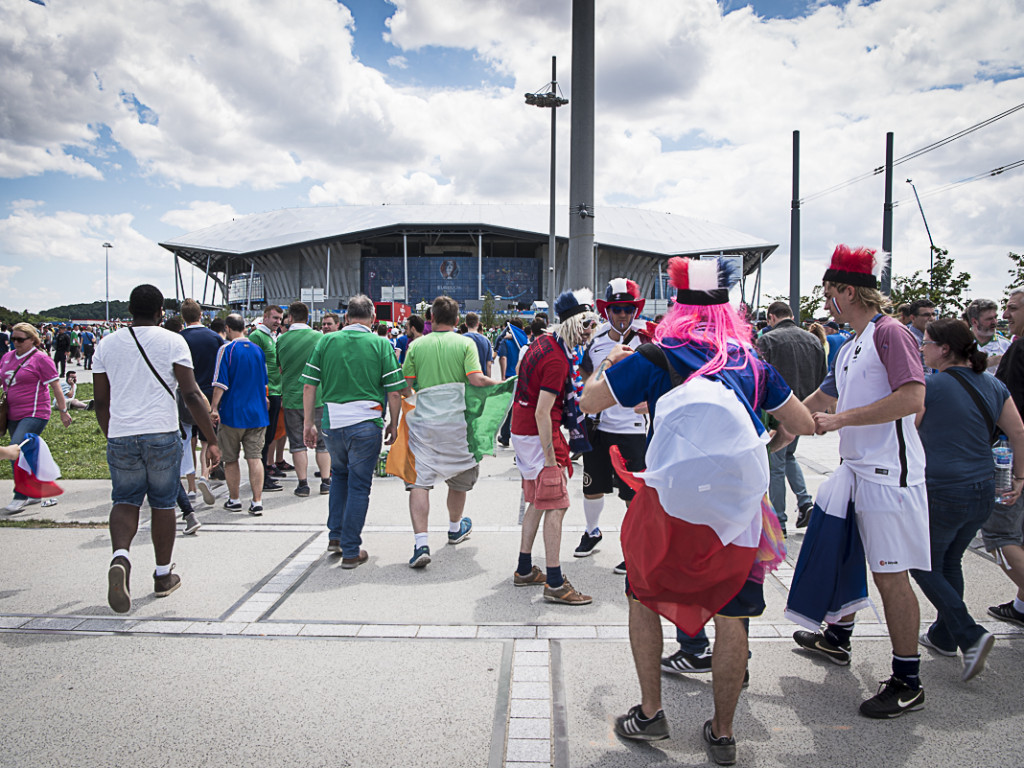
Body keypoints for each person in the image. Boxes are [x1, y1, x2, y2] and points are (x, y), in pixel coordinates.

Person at [579, 257, 813, 763]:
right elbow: (801, 424)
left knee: (643, 597)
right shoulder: (752, 364)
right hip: (738, 513)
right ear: (729, 310)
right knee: (735, 617)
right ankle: (723, 733)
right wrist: (765, 448)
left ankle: (651, 713)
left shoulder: (657, 356)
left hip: (670, 507)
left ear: (678, 307)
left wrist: (611, 363)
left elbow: (590, 402)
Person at [787, 245, 930, 719]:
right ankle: (837, 636)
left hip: (888, 475)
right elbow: (822, 397)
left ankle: (908, 680)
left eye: (830, 293)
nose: (826, 302)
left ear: (848, 291)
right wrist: (778, 429)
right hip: (855, 471)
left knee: (891, 578)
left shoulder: (891, 333)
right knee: (838, 551)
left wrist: (842, 419)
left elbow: (912, 398)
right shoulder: (850, 344)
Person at [92, 284, 220, 613]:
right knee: (163, 503)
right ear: (161, 311)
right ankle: (163, 575)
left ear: (130, 310)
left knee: (124, 499)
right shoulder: (172, 341)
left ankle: (120, 556)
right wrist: (211, 438)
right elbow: (191, 394)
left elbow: (102, 401)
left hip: (122, 434)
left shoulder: (106, 344)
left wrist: (112, 434)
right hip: (161, 433)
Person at [912, 318, 1024, 680]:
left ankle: (969, 633)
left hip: (942, 488)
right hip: (983, 487)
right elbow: (1018, 430)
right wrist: (1020, 477)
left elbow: (907, 428)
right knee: (949, 561)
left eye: (926, 343)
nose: (922, 348)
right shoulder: (992, 384)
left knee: (922, 563)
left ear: (944, 349)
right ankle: (944, 636)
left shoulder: (931, 386)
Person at [301, 295, 405, 565]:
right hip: (366, 423)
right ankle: (350, 549)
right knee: (359, 486)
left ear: (346, 317)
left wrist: (308, 423)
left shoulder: (326, 340)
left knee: (339, 477)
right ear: (372, 319)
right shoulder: (381, 344)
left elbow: (309, 385)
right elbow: (394, 392)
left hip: (332, 423)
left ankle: (335, 536)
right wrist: (394, 423)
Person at [512, 289, 598, 605]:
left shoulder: (544, 343)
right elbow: (542, 412)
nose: (590, 331)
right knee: (556, 503)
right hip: (536, 432)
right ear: (574, 323)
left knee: (536, 499)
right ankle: (554, 581)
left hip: (525, 431)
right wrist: (551, 459)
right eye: (586, 324)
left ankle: (524, 568)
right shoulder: (556, 357)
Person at [401, 295, 500, 568]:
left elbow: (405, 385)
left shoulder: (416, 346)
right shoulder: (465, 343)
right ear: (458, 321)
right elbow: (476, 379)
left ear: (430, 319)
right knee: (459, 476)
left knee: (420, 481)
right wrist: (503, 385)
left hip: (424, 424)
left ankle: (421, 543)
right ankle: (455, 528)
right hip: (457, 424)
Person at [576, 278, 652, 571]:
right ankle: (592, 531)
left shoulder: (647, 341)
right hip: (598, 426)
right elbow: (584, 375)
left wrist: (650, 401)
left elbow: (662, 377)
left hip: (632, 429)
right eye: (616, 308)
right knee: (591, 486)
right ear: (607, 311)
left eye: (628, 308)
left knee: (633, 494)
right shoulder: (595, 341)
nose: (622, 314)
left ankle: (633, 547)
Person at [757, 301, 827, 533]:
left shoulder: (768, 339)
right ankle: (805, 501)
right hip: (806, 408)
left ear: (771, 317)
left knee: (776, 462)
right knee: (788, 456)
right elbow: (823, 378)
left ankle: (779, 521)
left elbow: (762, 378)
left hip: (778, 408)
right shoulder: (813, 340)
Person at [983, 288, 1024, 629]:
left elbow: (1010, 418)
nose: (1004, 316)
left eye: (1011, 309)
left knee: (999, 536)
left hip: (1011, 455)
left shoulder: (1018, 349)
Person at [2, 323, 73, 513]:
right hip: (12, 414)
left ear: (33, 339)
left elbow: (56, 386)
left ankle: (20, 495)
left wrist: (63, 410)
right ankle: (36, 492)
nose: (15, 342)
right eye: (13, 339)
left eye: (20, 339)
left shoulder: (40, 359)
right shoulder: (7, 358)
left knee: (15, 449)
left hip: (35, 413)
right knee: (26, 454)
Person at [211, 314, 270, 516]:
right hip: (257, 412)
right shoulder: (257, 350)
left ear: (227, 328)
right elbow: (263, 380)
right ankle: (257, 501)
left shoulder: (226, 350)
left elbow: (220, 383)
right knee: (255, 458)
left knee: (231, 459)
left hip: (233, 413)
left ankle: (235, 499)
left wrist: (213, 408)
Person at [277, 301, 332, 497]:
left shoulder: (281, 340)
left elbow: (280, 368)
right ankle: (326, 481)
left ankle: (303, 484)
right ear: (308, 318)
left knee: (297, 444)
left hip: (292, 398)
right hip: (318, 397)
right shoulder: (320, 338)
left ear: (290, 318)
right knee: (323, 443)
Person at [179, 299, 225, 506]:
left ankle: (190, 487)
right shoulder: (214, 338)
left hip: (185, 395)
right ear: (201, 316)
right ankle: (205, 475)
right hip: (209, 394)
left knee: (189, 439)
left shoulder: (178, 339)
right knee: (208, 439)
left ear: (183, 317)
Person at [248, 304, 284, 491]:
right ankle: (260, 478)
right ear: (265, 317)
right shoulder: (257, 336)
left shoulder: (272, 336)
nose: (278, 322)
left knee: (269, 436)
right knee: (263, 437)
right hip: (267, 392)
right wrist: (262, 392)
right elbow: (254, 366)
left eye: (280, 319)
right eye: (275, 318)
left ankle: (264, 474)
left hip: (276, 391)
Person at [964, 298, 1010, 374]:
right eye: (989, 319)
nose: (994, 322)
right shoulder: (960, 344)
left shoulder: (1006, 345)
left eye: (995, 317)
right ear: (974, 322)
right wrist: (991, 361)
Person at [907, 298, 937, 371]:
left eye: (933, 314)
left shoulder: (932, 338)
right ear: (913, 318)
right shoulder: (909, 339)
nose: (932, 318)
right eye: (926, 315)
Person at [463, 312, 493, 376]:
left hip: (466, 379)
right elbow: (489, 365)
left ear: (466, 324)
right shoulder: (486, 341)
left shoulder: (461, 339)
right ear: (478, 324)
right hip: (482, 378)